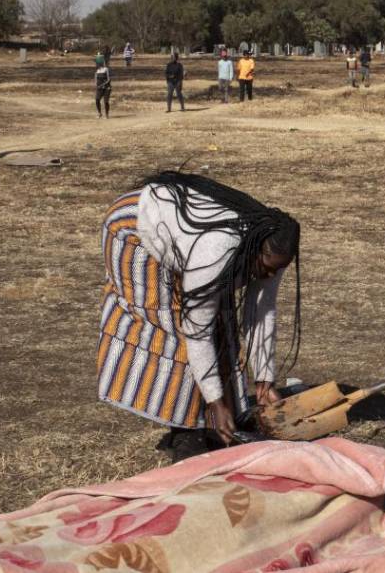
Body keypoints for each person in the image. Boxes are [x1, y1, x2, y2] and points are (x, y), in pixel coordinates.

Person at [97, 171, 301, 459]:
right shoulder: (216, 249)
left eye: (276, 269)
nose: (269, 274)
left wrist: (264, 381)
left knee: (222, 320)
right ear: (253, 249)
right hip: (135, 229)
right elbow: (196, 329)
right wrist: (216, 401)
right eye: (266, 267)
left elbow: (261, 312)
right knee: (172, 326)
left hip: (183, 236)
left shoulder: (273, 252)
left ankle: (208, 419)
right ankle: (186, 431)